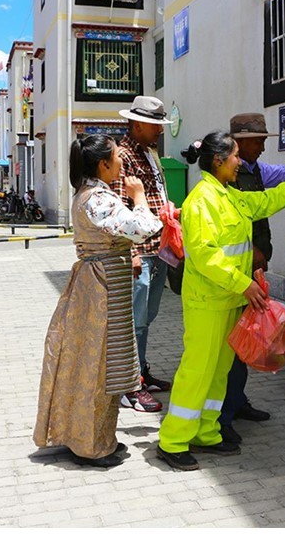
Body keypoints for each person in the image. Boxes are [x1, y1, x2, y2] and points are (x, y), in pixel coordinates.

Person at [155, 131, 285, 471]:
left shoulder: (228, 195)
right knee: (197, 370)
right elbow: (205, 256)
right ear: (218, 160)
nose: (240, 162)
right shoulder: (202, 200)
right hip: (208, 301)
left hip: (227, 299)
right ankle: (172, 441)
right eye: (235, 156)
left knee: (218, 371)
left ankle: (205, 431)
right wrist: (244, 283)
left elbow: (264, 203)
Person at [33, 134, 162, 468]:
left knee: (107, 366)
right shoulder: (98, 198)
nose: (122, 162)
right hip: (101, 290)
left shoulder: (93, 194)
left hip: (103, 285)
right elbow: (144, 226)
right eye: (117, 157)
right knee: (99, 367)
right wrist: (140, 196)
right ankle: (91, 445)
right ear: (103, 164)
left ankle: (100, 438)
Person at [217, 113, 285, 445]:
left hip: (253, 269)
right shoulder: (226, 179)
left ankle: (237, 401)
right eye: (258, 141)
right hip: (236, 274)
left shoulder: (257, 170)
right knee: (234, 343)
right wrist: (251, 254)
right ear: (240, 142)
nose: (262, 147)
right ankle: (223, 417)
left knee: (250, 335)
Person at [112, 96, 174, 413]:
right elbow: (122, 209)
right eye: (155, 126)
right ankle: (129, 385)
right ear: (138, 125)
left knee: (146, 319)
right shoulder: (122, 157)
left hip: (157, 247)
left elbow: (156, 195)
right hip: (141, 251)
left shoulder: (148, 153)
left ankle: (142, 370)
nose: (160, 132)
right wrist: (133, 252)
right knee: (135, 321)